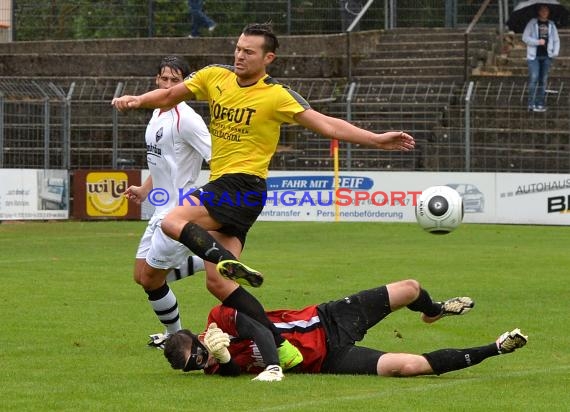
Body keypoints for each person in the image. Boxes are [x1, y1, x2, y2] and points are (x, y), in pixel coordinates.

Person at [111, 23, 415, 370]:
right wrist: (138, 100)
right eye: (238, 48)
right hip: (239, 196)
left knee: (171, 220)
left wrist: (376, 139)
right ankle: (281, 344)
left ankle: (222, 257)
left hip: (240, 185)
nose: (239, 55)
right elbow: (168, 95)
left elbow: (326, 124)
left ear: (268, 57)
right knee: (218, 285)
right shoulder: (214, 77)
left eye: (248, 51)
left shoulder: (276, 95)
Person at [163, 279, 528, 382]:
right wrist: (224, 360)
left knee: (411, 289)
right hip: (328, 360)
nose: (202, 362)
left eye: (198, 355)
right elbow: (227, 370)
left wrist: (274, 365)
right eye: (195, 367)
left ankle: (432, 312)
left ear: (198, 337)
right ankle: (495, 347)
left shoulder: (220, 317)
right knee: (410, 367)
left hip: (328, 318)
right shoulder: (215, 362)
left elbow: (257, 328)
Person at [124, 55, 212, 346]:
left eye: (176, 80)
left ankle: (177, 338)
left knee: (151, 280)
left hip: (177, 212)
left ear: (186, 85)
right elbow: (161, 161)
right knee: (141, 276)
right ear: (157, 81)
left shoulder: (187, 119)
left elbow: (218, 159)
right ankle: (204, 260)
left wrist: (209, 200)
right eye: (165, 79)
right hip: (160, 207)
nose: (169, 84)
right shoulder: (157, 114)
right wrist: (145, 188)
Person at [522, 4, 560, 112]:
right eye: (542, 10)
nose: (544, 12)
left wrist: (555, 52)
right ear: (539, 11)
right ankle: (531, 104)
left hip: (547, 56)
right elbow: (525, 37)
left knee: (543, 80)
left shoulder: (551, 25)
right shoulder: (532, 23)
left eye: (546, 10)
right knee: (534, 78)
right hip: (534, 57)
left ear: (548, 12)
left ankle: (540, 103)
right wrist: (537, 42)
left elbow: (556, 40)